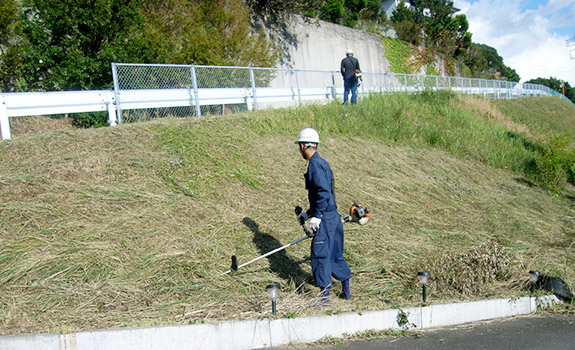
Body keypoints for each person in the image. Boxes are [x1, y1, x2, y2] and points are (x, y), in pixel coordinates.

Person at [295, 128, 352, 305]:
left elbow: (323, 192)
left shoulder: (313, 164)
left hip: (326, 220)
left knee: (321, 255)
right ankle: (346, 293)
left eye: (299, 146)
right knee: (336, 255)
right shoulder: (323, 163)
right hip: (333, 217)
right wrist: (308, 214)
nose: (300, 149)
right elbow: (326, 195)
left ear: (304, 146)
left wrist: (317, 216)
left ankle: (325, 299)